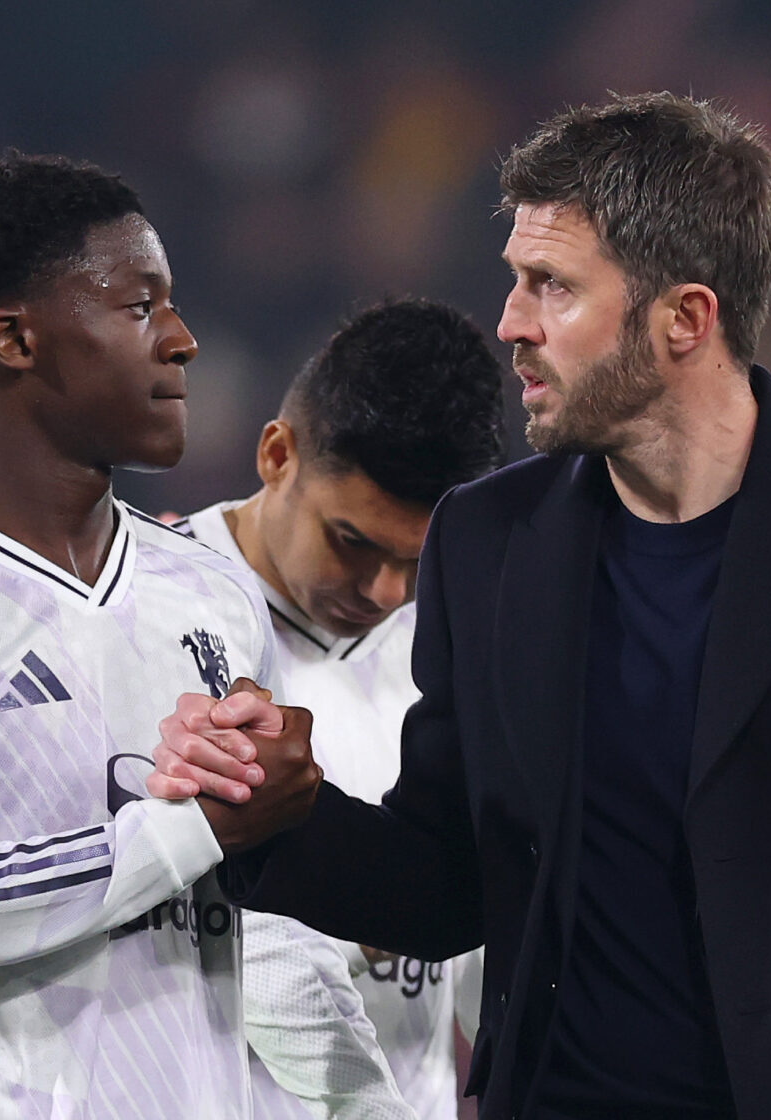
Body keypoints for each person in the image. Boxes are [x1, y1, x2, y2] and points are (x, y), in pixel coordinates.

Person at [149, 93, 771, 1120]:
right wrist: (272, 812)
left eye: (550, 287)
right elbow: (444, 873)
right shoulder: (487, 538)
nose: (509, 322)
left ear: (684, 318)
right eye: (516, 281)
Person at [0, 152, 399, 1120]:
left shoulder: (211, 598)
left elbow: (257, 930)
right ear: (15, 338)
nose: (182, 340)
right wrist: (179, 829)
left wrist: (365, 1105)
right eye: (139, 305)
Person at [175, 298, 503, 1120]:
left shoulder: (456, 652)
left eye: (415, 561)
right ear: (277, 453)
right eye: (352, 541)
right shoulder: (153, 614)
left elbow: (487, 948)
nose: (385, 591)